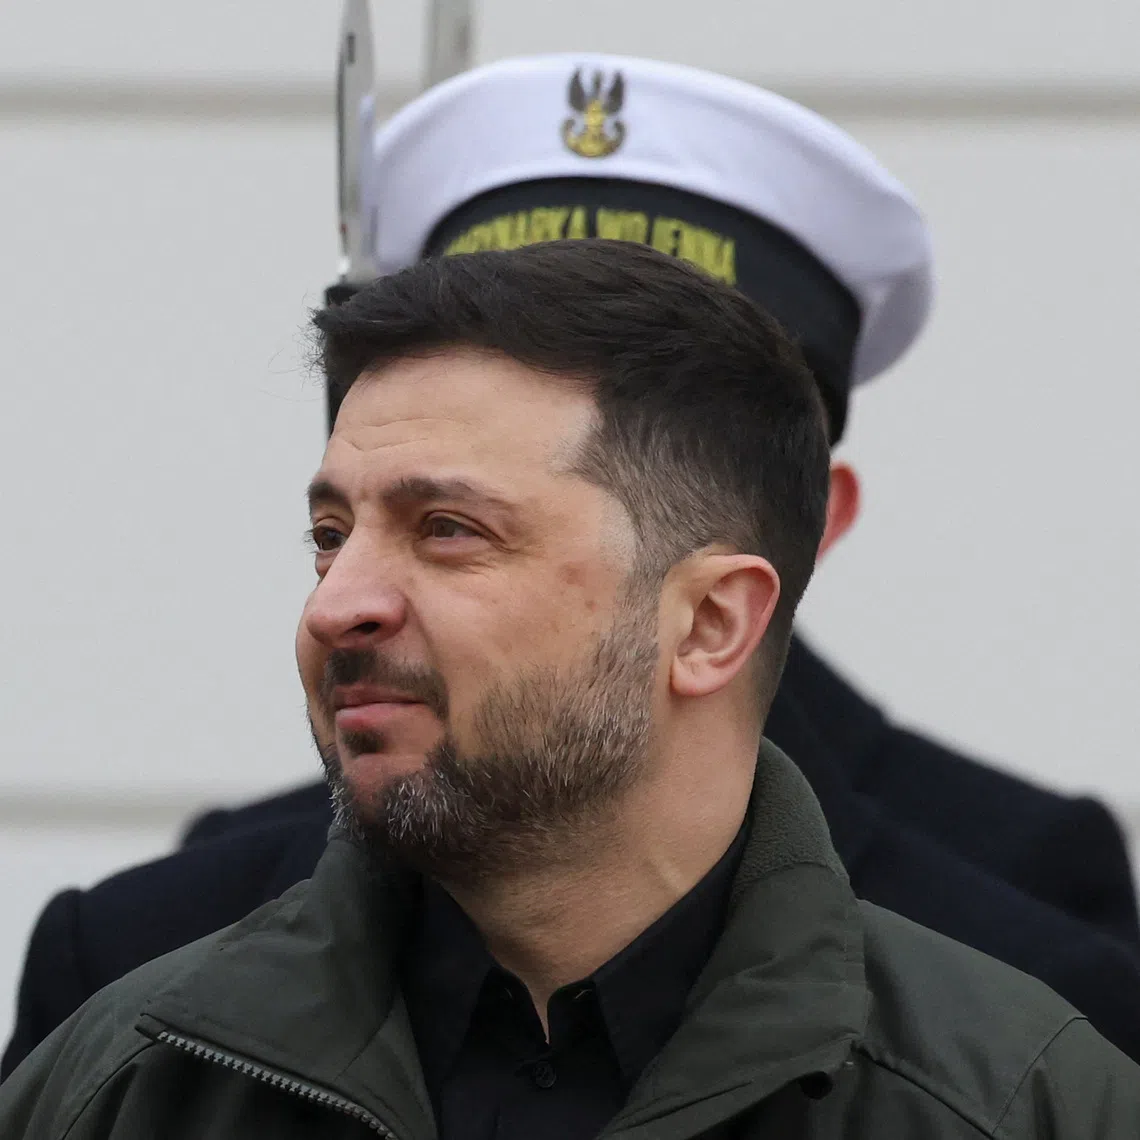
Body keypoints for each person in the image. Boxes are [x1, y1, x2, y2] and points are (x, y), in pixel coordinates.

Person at [6, 54, 1140, 1080]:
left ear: (780, 531)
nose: (341, 599)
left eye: (453, 524)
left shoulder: (1023, 1018)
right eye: (335, 528)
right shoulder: (147, 990)